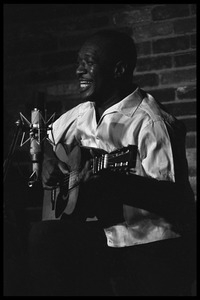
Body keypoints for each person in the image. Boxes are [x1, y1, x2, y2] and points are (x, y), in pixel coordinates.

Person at [28, 30, 196, 296]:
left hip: (151, 245)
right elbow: (43, 138)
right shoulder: (82, 113)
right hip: (107, 236)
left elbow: (174, 197)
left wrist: (116, 184)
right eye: (78, 62)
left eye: (89, 62)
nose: (79, 70)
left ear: (118, 69)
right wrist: (48, 162)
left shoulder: (151, 121)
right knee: (44, 237)